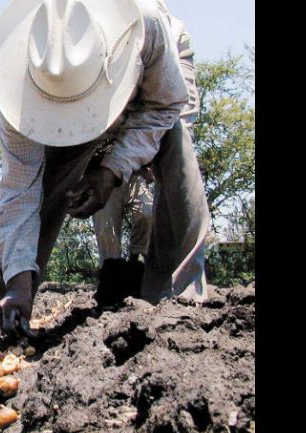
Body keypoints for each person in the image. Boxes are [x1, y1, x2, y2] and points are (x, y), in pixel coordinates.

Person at [0, 0, 211, 337]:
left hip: (158, 83)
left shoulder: (145, 26)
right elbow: (19, 191)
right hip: (83, 93)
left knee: (177, 148)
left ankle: (178, 298)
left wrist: (112, 169)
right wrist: (19, 281)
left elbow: (166, 106)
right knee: (46, 175)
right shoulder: (20, 84)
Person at [91, 7, 202, 307]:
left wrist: (154, 152)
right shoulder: (95, 30)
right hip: (107, 150)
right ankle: (111, 272)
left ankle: (171, 286)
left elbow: (183, 105)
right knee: (104, 213)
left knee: (149, 211)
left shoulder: (173, 32)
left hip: (156, 143)